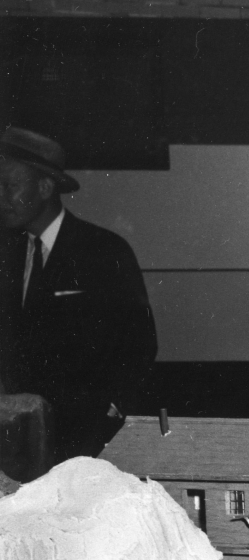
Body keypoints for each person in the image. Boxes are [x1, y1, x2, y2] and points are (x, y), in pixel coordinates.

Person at [0, 125, 156, 464]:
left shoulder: (104, 251)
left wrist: (109, 413)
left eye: (10, 185)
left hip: (84, 442)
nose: (1, 197)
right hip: (15, 442)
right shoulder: (7, 255)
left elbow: (139, 344)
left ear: (44, 187)